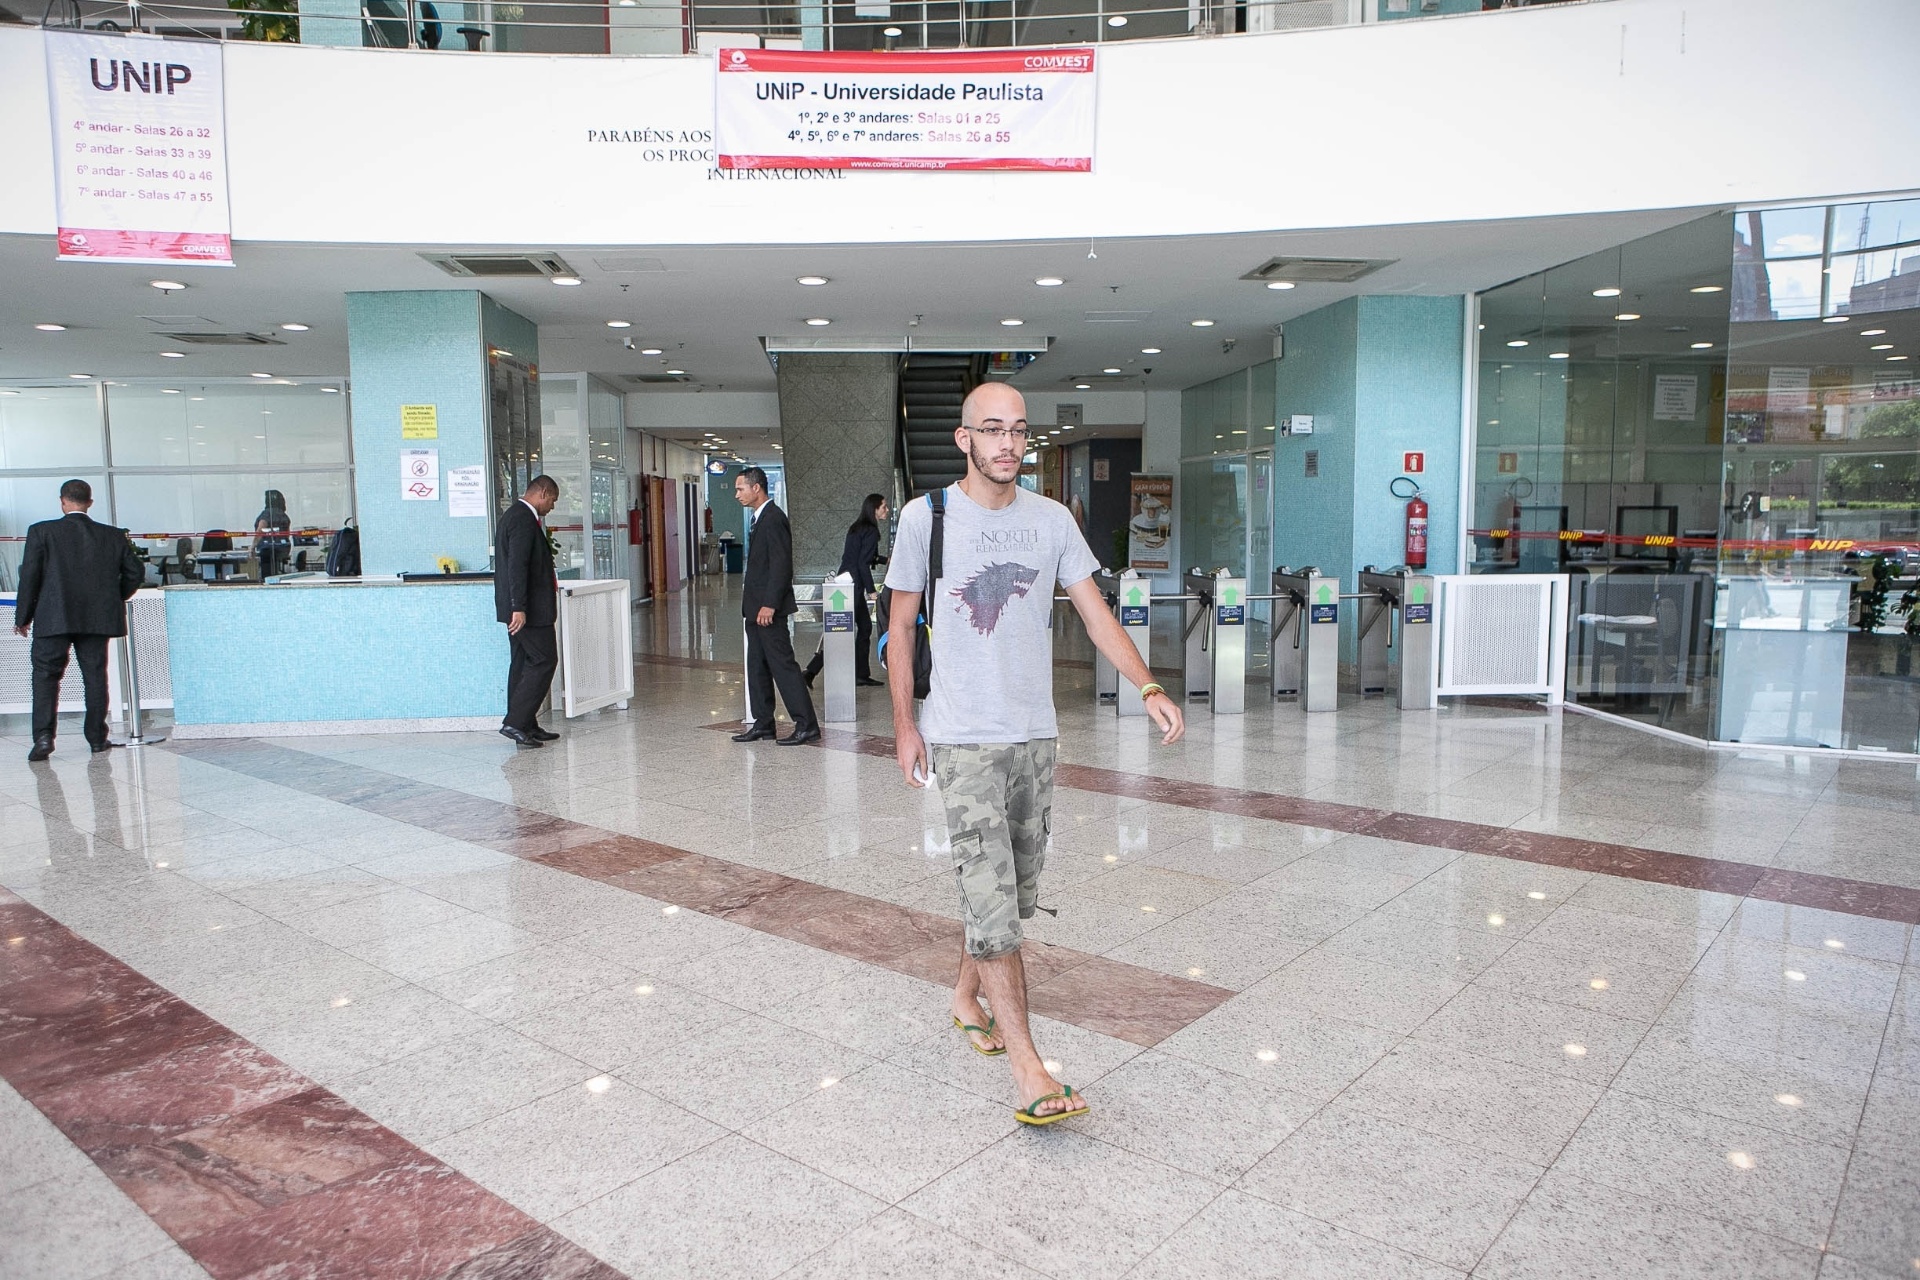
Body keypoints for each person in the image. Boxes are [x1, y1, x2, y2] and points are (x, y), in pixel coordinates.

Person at [886, 383, 1184, 1126]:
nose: (1008, 444)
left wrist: (1147, 684)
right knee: (991, 901)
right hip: (962, 736)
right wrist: (905, 725)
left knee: (1011, 895)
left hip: (1034, 736)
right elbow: (900, 625)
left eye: (1018, 431)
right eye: (992, 430)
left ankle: (965, 997)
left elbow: (1095, 612)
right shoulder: (927, 518)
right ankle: (1030, 1070)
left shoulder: (1052, 520)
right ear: (964, 439)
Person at [12, 479, 145, 762]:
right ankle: (97, 739)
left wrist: (23, 617)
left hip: (52, 617)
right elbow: (135, 573)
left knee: (45, 676)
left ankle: (43, 738)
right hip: (96, 619)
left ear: (62, 501)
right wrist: (111, 598)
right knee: (95, 676)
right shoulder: (112, 535)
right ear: (90, 503)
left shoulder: (41, 532)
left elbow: (30, 577)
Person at [733, 466, 819, 746]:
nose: (737, 494)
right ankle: (763, 724)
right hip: (754, 609)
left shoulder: (773, 518)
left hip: (768, 611)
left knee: (783, 667)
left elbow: (782, 565)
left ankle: (807, 725)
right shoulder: (759, 519)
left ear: (756, 488)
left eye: (740, 489)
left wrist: (770, 604)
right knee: (756, 666)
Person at [494, 475, 560, 747]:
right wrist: (518, 607)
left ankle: (527, 725)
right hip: (529, 612)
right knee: (545, 660)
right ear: (542, 493)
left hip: (522, 609)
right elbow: (517, 566)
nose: (552, 507)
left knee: (522, 664)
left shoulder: (515, 515)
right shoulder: (522, 518)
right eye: (552, 500)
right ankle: (515, 722)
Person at [805, 492, 888, 689]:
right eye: (883, 507)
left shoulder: (857, 528)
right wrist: (871, 590)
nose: (886, 510)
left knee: (863, 627)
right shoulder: (871, 531)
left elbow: (860, 557)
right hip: (854, 587)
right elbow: (862, 563)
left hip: (844, 582)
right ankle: (810, 672)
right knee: (841, 631)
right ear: (874, 509)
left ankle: (861, 674)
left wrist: (885, 560)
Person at [254, 488, 292, 579]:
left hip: (268, 551)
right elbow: (287, 534)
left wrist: (252, 546)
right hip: (283, 548)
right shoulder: (284, 515)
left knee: (267, 575)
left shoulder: (267, 513)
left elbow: (260, 530)